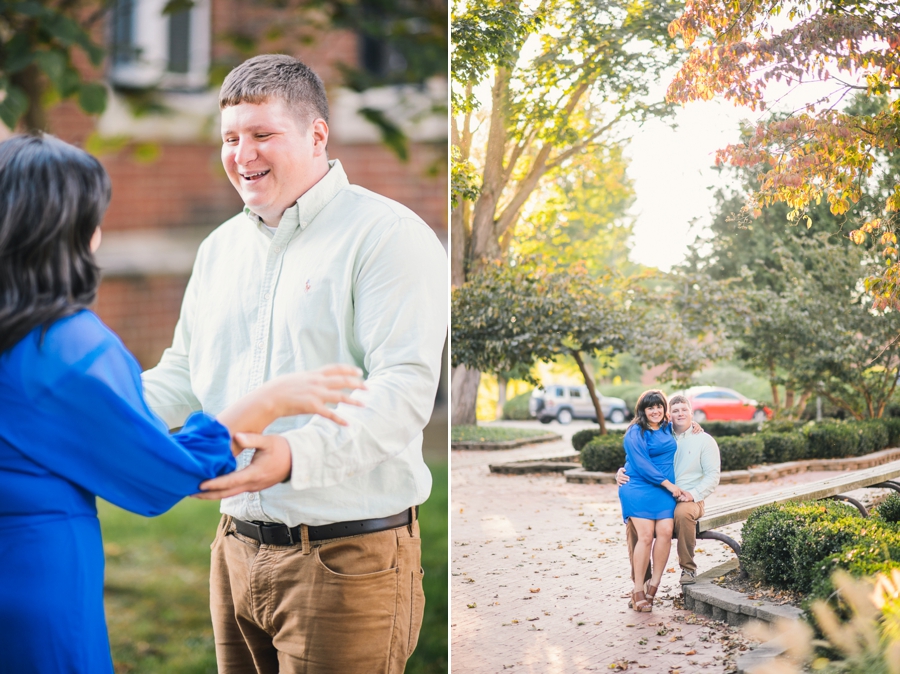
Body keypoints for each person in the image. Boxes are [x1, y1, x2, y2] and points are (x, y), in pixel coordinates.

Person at [0, 134, 365, 674]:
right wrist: (268, 401)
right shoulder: (65, 347)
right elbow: (163, 475)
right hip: (36, 586)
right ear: (68, 230)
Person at [140, 54, 448, 672]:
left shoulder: (387, 234)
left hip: (346, 558)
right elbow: (181, 372)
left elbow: (404, 391)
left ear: (316, 134)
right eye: (230, 137)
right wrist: (97, 415)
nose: (241, 153)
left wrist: (292, 458)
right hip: (232, 549)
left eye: (262, 135)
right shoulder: (219, 247)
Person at [618, 394, 721, 587]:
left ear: (692, 412)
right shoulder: (664, 431)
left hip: (691, 497)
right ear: (669, 415)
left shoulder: (704, 440)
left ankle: (688, 568)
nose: (680, 414)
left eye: (684, 410)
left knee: (682, 513)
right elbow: (640, 456)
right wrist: (621, 472)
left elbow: (713, 476)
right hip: (662, 492)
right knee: (636, 525)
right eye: (675, 411)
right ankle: (640, 581)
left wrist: (693, 494)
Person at [617, 389, 685, 612]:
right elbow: (642, 465)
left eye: (659, 406)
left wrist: (695, 427)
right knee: (645, 536)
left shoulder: (667, 427)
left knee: (665, 532)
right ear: (642, 410)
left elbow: (685, 427)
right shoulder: (635, 432)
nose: (655, 411)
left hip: (663, 492)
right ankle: (638, 590)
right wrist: (669, 485)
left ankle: (653, 587)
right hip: (638, 488)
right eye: (650, 407)